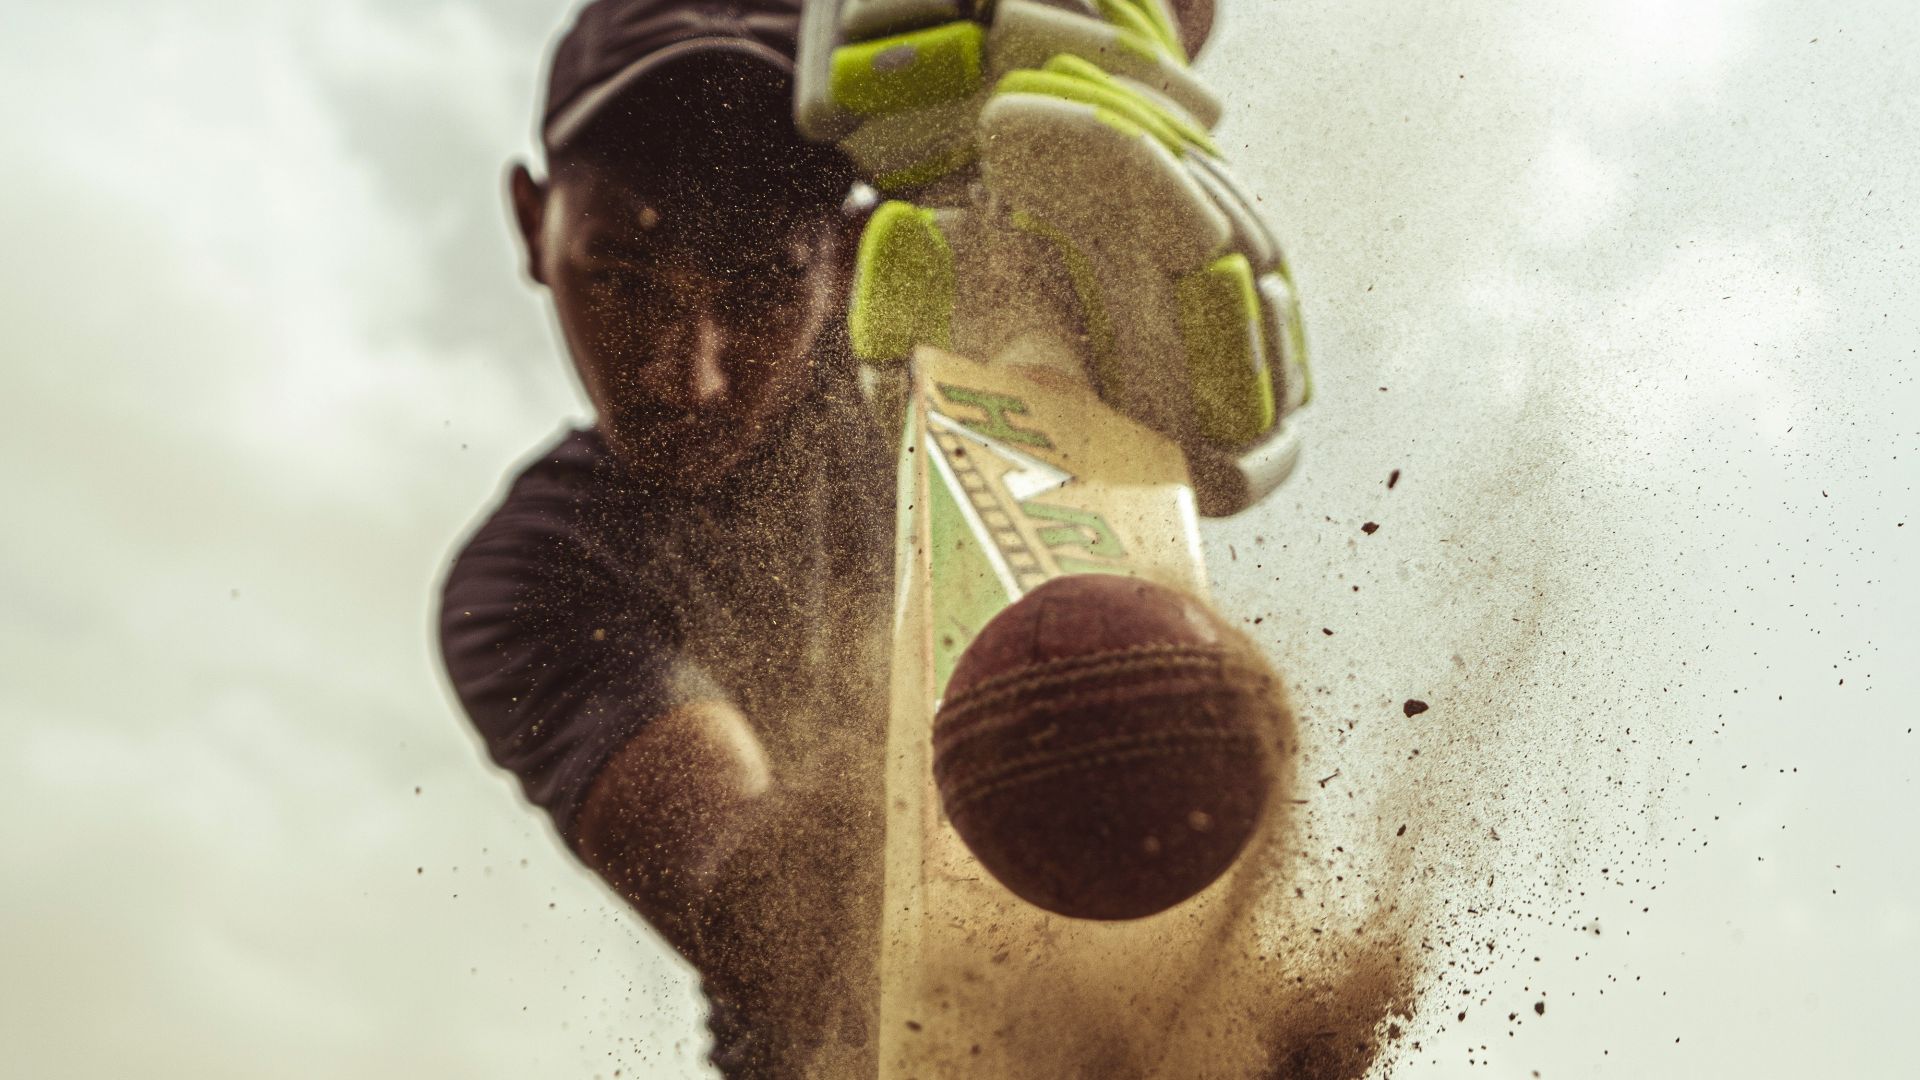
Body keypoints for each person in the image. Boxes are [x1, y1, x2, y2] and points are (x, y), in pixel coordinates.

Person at [439, 0, 1308, 1075]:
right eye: (620, 277)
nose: (690, 374)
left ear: (852, 254)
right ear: (532, 219)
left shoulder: (962, 370)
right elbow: (757, 901)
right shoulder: (534, 575)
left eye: (763, 286)